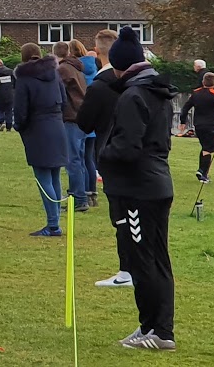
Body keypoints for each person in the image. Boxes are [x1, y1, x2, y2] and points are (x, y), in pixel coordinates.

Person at [100, 26, 179, 350]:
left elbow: (128, 147)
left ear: (121, 66)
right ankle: (151, 327)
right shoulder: (156, 93)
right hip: (156, 183)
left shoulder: (133, 96)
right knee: (155, 259)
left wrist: (103, 154)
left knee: (143, 261)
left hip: (139, 190)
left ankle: (159, 331)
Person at [79, 29, 132, 288]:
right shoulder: (138, 81)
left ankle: (127, 270)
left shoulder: (101, 84)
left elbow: (84, 122)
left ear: (97, 51)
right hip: (137, 152)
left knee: (121, 214)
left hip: (110, 150)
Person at [13, 43, 69, 237]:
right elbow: (64, 100)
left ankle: (53, 225)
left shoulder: (24, 78)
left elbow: (20, 109)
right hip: (57, 125)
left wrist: (20, 126)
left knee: (43, 178)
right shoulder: (55, 74)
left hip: (38, 129)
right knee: (54, 175)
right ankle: (55, 221)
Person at [55, 41, 90, 212]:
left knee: (72, 160)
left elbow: (57, 93)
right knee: (79, 159)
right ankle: (78, 196)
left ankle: (78, 199)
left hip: (71, 117)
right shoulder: (77, 68)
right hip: (82, 117)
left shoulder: (63, 70)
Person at [181, 72, 214, 184]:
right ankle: (202, 173)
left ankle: (202, 172)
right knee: (209, 149)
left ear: (203, 82)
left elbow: (185, 107)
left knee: (205, 147)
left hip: (198, 125)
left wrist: (183, 121)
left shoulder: (196, 93)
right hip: (210, 125)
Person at [74, 40, 101, 208]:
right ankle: (92, 193)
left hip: (81, 120)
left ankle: (82, 192)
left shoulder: (78, 71)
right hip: (94, 123)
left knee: (80, 159)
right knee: (90, 159)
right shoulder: (96, 71)